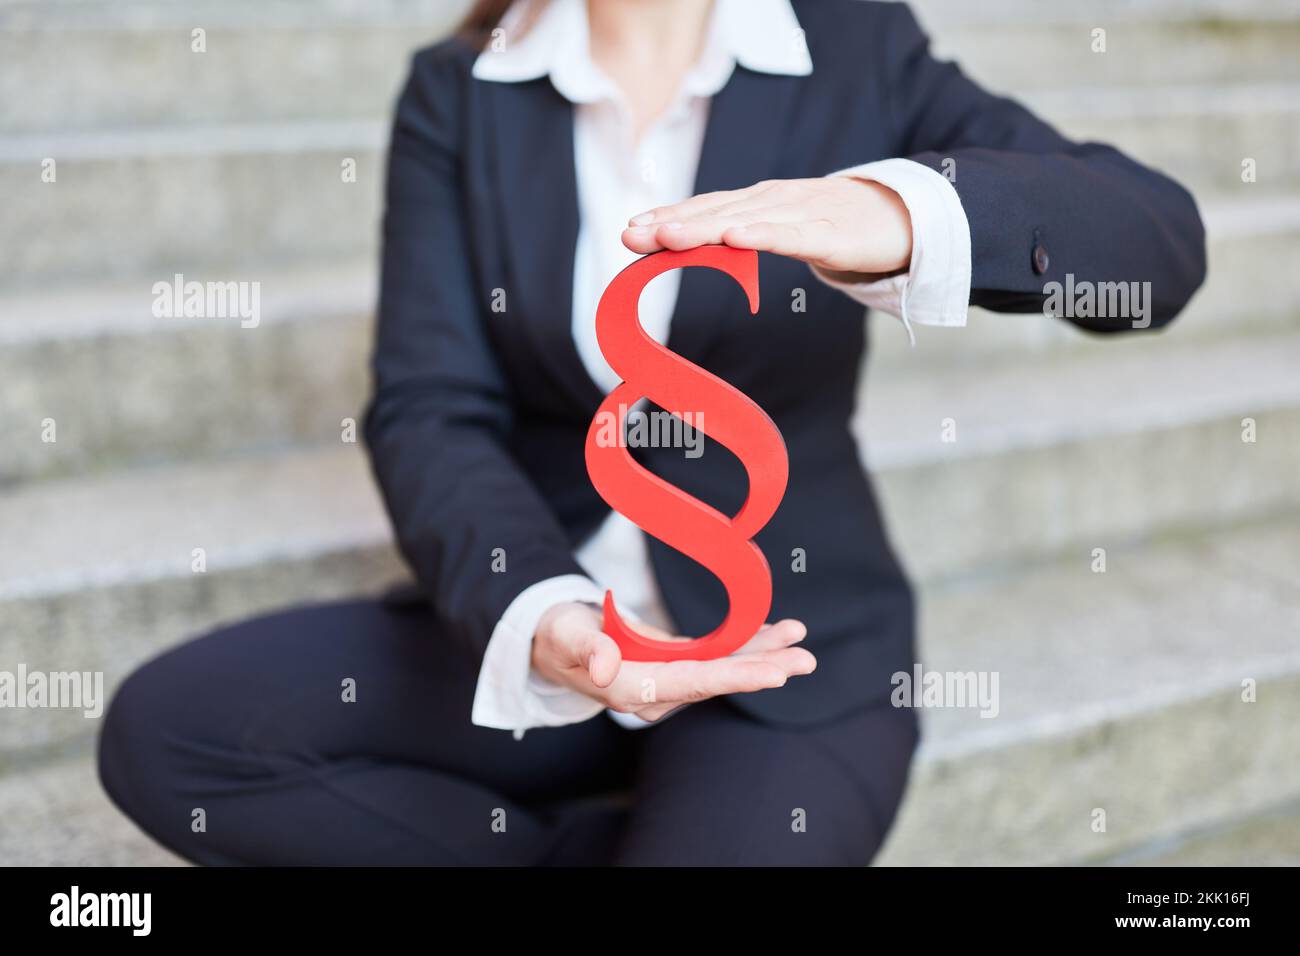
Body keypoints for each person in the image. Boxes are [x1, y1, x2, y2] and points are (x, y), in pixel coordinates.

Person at [98, 0, 1205, 865]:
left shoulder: (855, 47)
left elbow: (1154, 247)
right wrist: (541, 611)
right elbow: (431, 405)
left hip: (786, 658)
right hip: (553, 618)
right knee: (173, 732)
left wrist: (907, 213)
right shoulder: (461, 89)